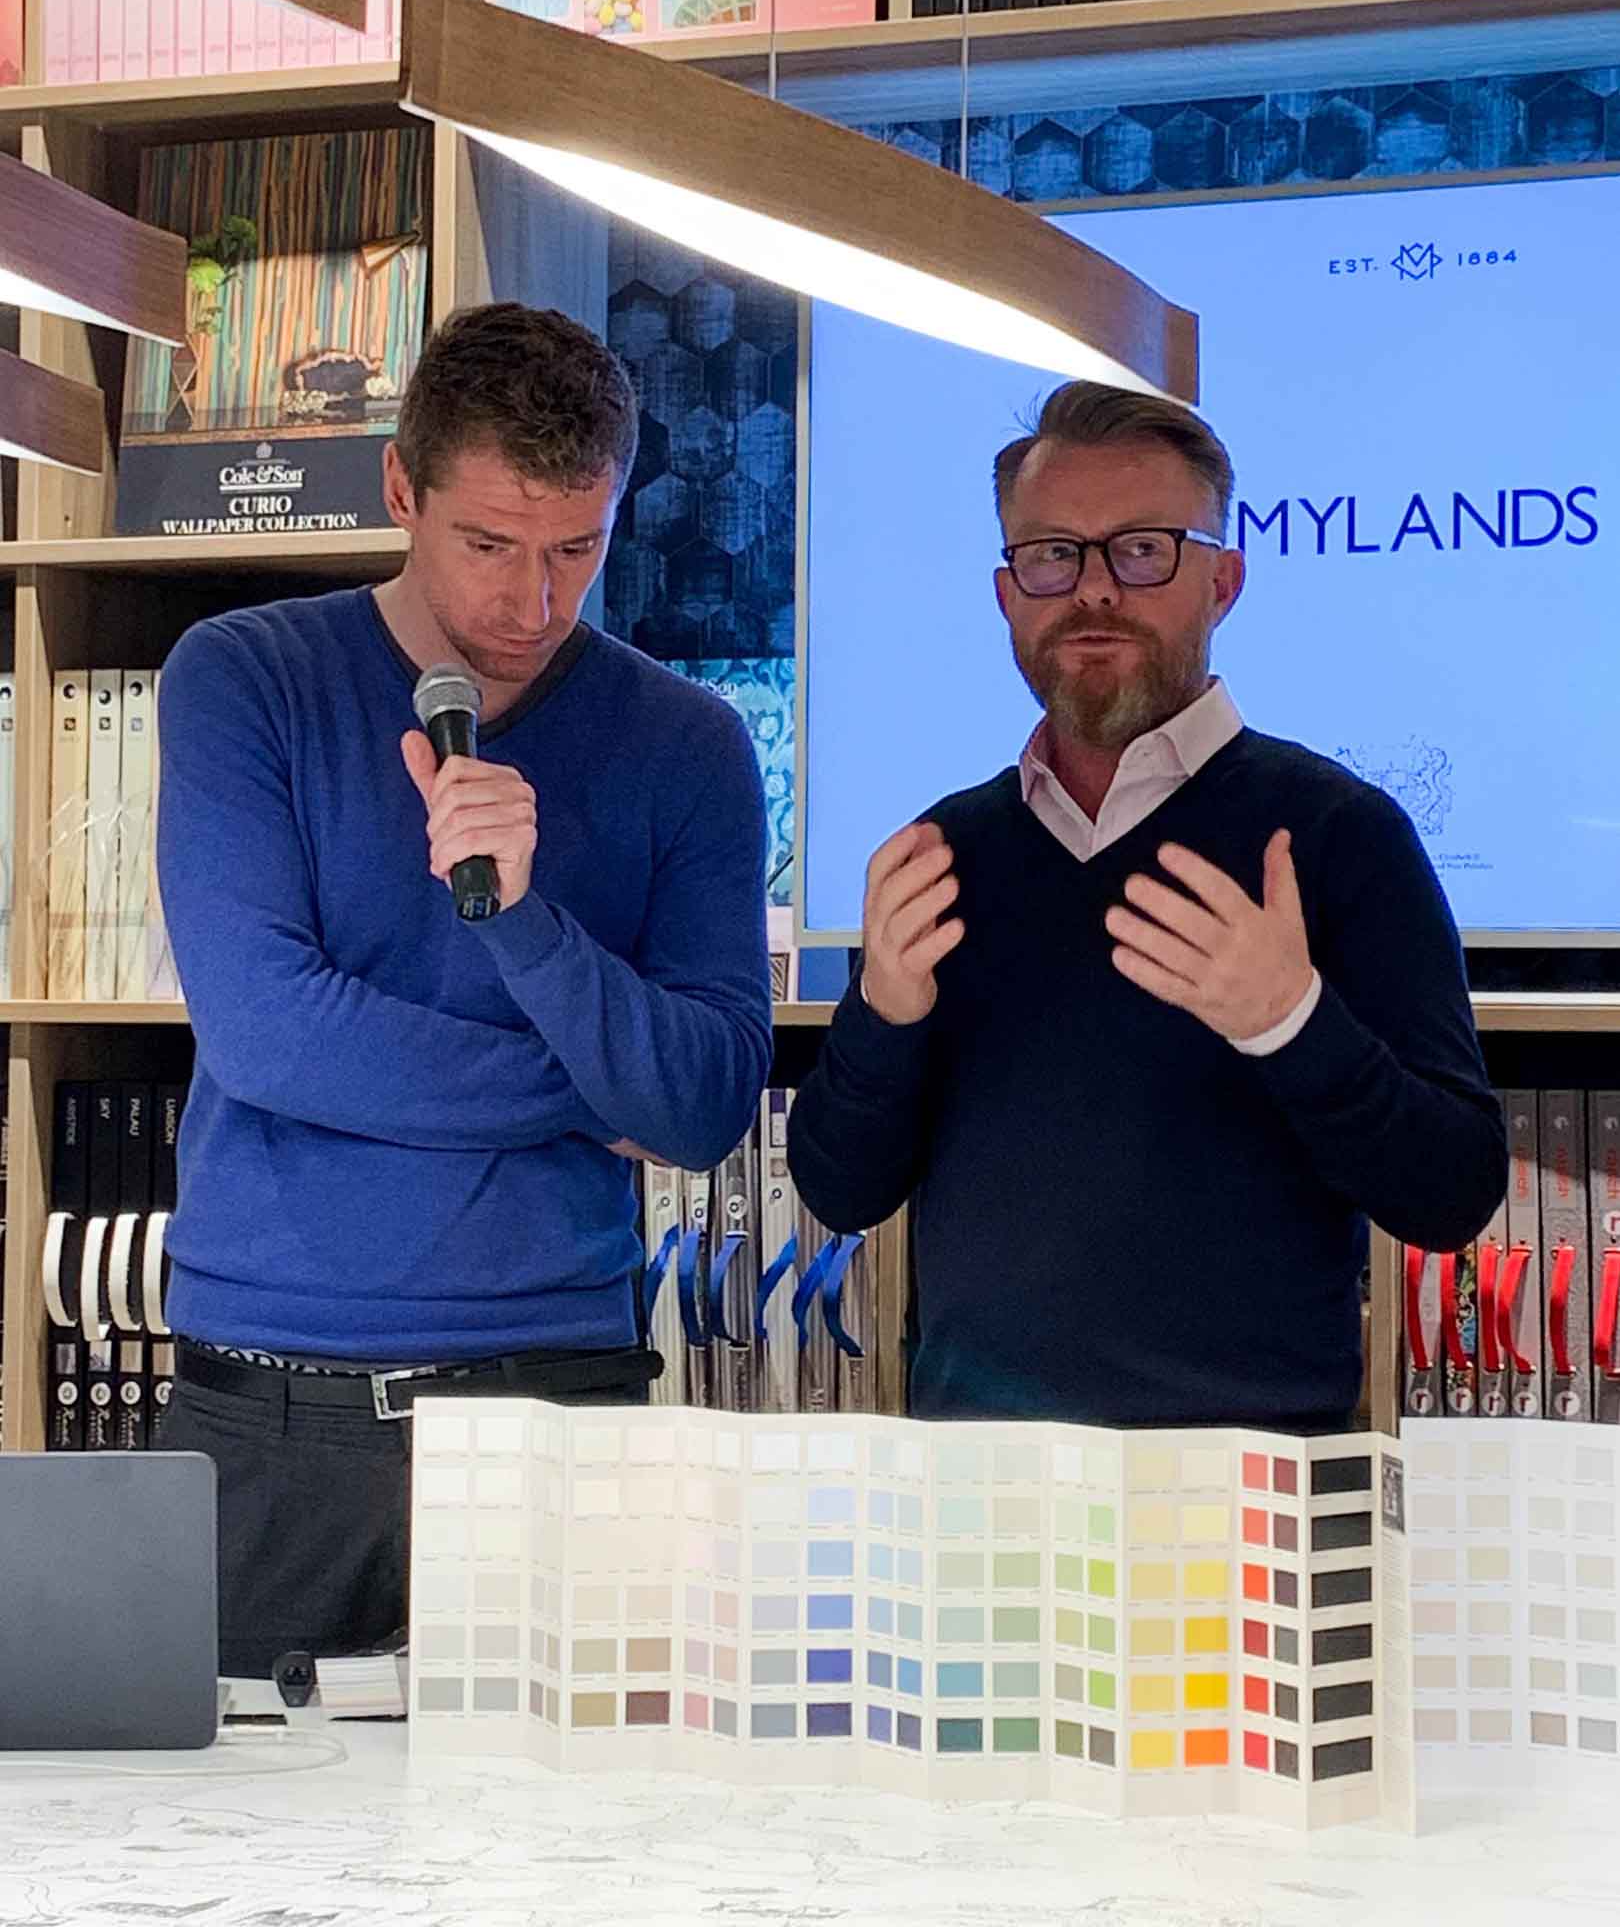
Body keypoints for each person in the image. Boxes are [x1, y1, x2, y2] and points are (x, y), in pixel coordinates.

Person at [156, 303, 772, 1675]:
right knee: (207, 1810)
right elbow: (268, 1035)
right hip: (270, 1407)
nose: (533, 603)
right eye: (488, 544)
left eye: (576, 550)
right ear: (400, 488)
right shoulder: (246, 680)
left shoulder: (688, 746)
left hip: (557, 1402)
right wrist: (588, 1090)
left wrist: (530, 925)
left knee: (576, 1817)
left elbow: (700, 1105)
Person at [787, 382, 1505, 1430]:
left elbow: (1451, 1192)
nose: (1094, 591)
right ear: (1007, 594)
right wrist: (883, 1019)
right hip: (979, 1490)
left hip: (1250, 1485)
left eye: (1141, 551)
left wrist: (1291, 1023)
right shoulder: (942, 855)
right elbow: (839, 1191)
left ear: (1224, 582)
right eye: (1053, 555)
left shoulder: (1337, 835)